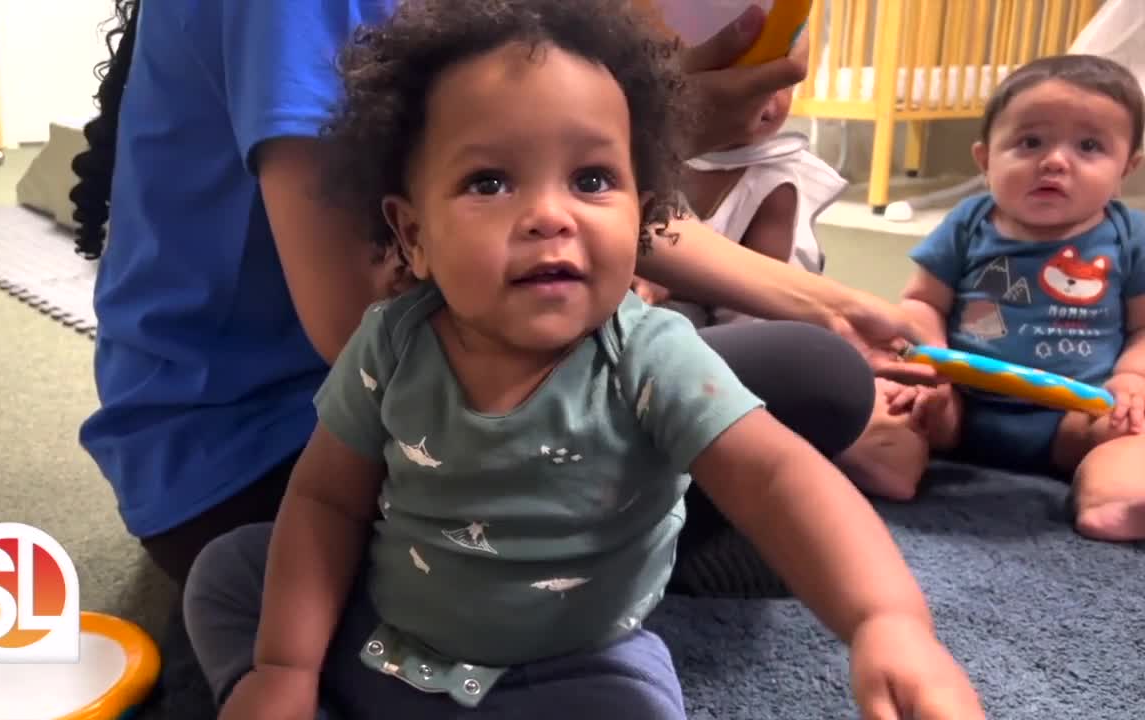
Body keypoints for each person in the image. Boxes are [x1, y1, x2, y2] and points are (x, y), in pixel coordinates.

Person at [180, 3, 986, 719]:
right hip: (389, 644)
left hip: (569, 672)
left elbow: (780, 478)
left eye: (592, 179)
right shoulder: (391, 343)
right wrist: (285, 667)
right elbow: (326, 501)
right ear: (413, 234)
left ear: (645, 216)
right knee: (232, 573)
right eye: (489, 182)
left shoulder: (651, 356)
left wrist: (887, 622)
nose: (549, 215)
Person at [68, 0, 929, 590]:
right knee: (810, 383)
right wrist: (658, 136)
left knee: (814, 365)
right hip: (257, 462)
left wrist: (834, 307)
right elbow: (358, 326)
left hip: (333, 420)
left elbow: (542, 196)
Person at [842, 54, 1145, 543]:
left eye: (1089, 146)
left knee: (1131, 432)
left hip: (1079, 414)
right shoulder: (969, 221)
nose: (1054, 161)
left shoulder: (1131, 236)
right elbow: (923, 302)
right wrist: (926, 365)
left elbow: (1143, 328)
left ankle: (1116, 495)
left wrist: (1132, 379)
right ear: (985, 159)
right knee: (884, 404)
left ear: (1126, 168)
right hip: (958, 405)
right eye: (1030, 142)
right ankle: (883, 462)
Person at [631, 33, 848, 328]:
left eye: (782, 86)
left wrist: (669, 283)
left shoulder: (775, 184)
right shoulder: (666, 156)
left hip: (751, 315)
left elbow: (759, 297)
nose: (768, 100)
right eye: (747, 79)